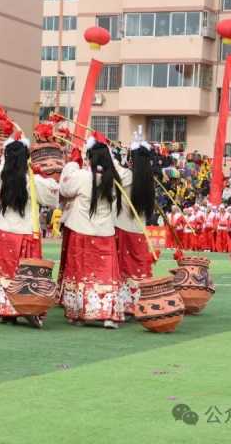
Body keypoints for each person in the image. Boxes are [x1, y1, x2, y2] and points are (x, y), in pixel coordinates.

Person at [59, 134, 137, 329]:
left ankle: (79, 313)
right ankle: (108, 315)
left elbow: (65, 189)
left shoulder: (82, 176)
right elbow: (123, 174)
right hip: (104, 233)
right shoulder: (114, 179)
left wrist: (72, 165)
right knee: (105, 276)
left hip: (81, 231)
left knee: (79, 274)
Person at [0, 135, 58, 328]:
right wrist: (41, 173)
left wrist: (11, 150)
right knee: (28, 273)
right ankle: (28, 307)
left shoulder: (2, 177)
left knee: (6, 271)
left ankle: (6, 309)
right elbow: (52, 198)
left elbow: (3, 164)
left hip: (6, 231)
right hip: (27, 231)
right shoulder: (33, 181)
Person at [114, 135, 157, 280]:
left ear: (132, 160)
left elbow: (112, 168)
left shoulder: (126, 176)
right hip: (138, 231)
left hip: (122, 228)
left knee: (122, 270)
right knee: (137, 271)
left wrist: (109, 152)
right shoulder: (149, 181)